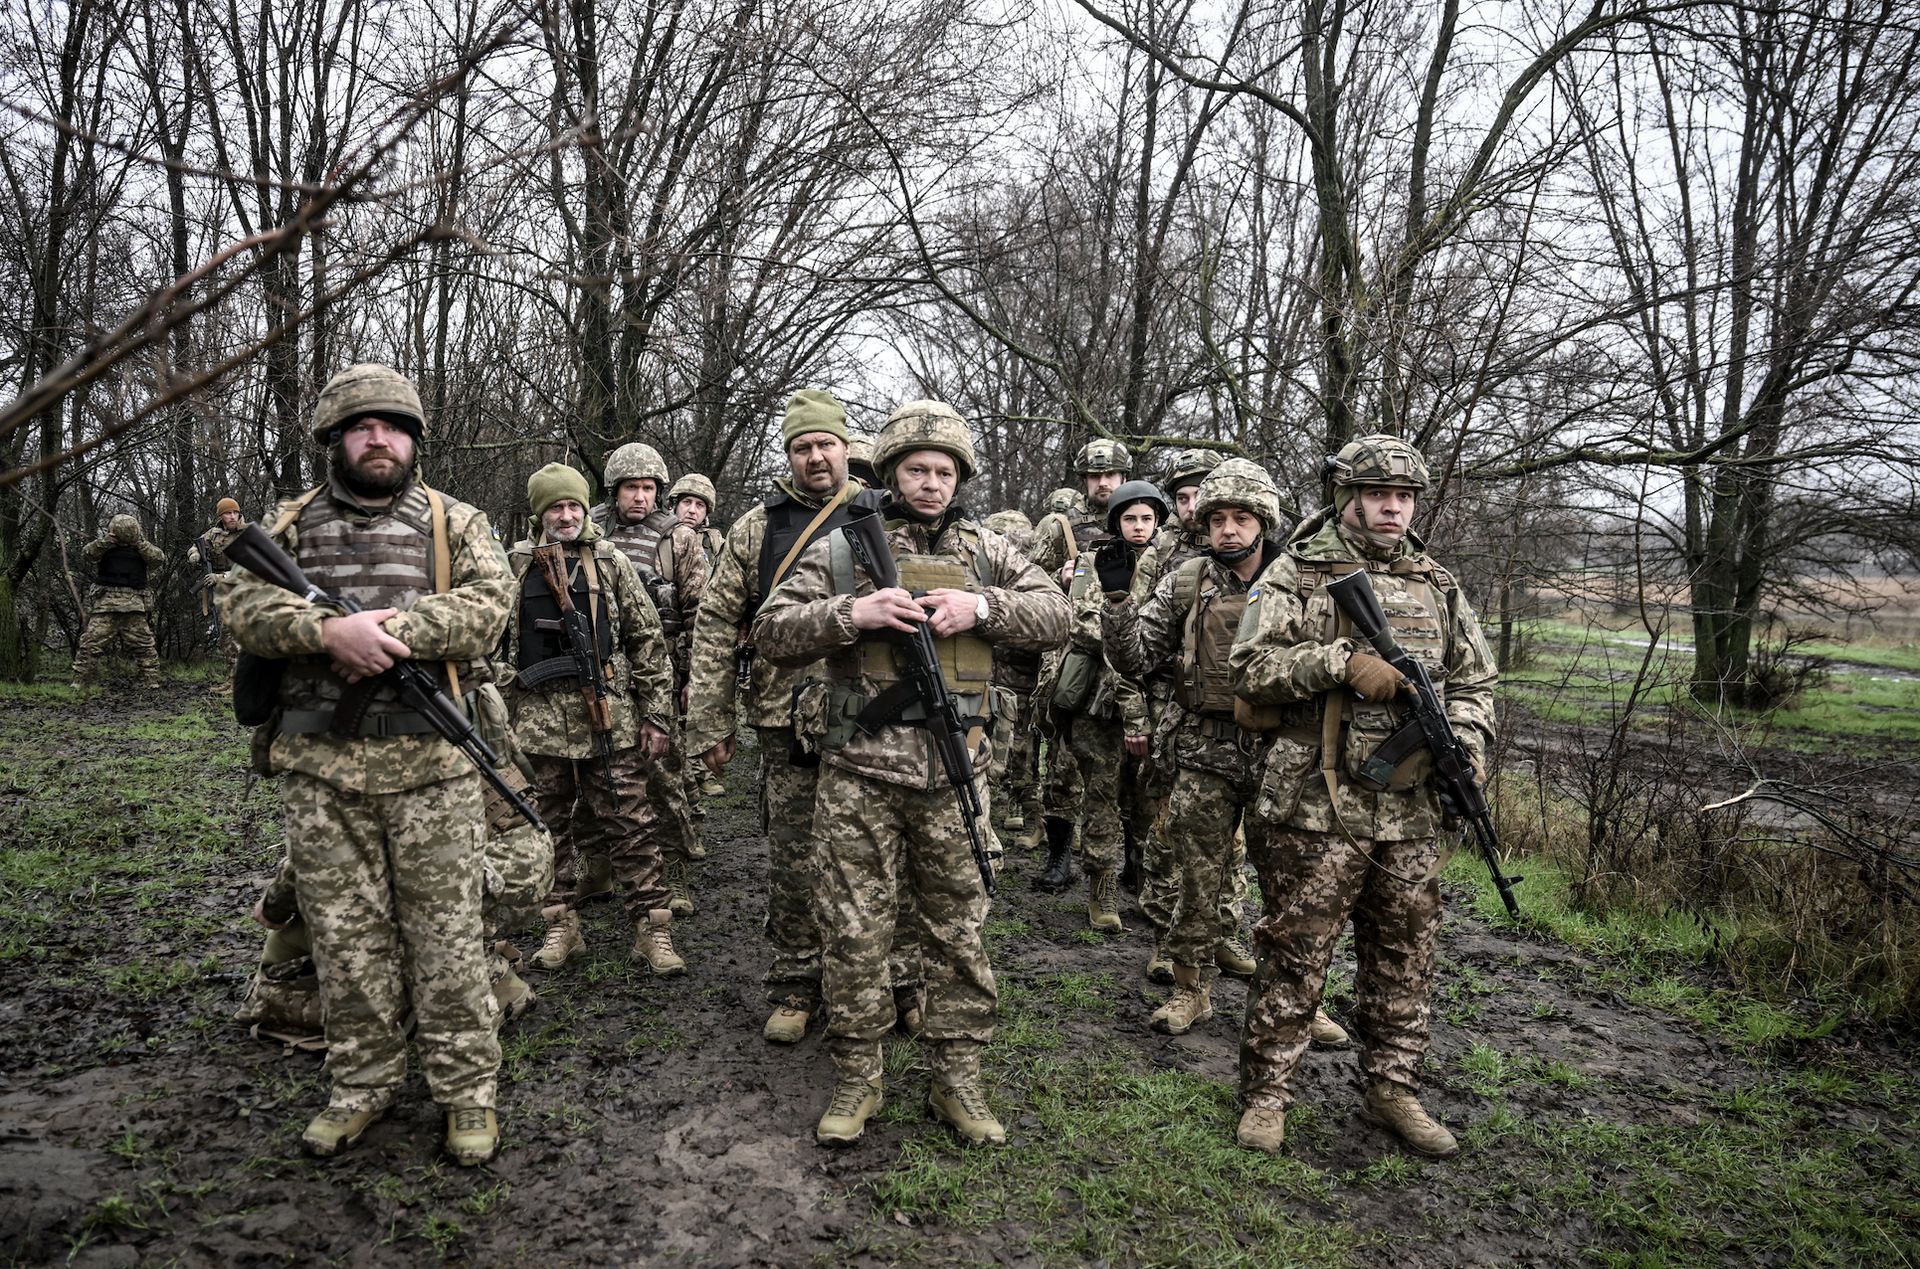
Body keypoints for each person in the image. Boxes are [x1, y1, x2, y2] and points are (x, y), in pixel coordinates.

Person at [752, 399, 1069, 1147]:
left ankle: (957, 1077)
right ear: (892, 473)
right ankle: (858, 1074)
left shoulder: (990, 550)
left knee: (958, 932)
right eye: (917, 469)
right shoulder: (840, 549)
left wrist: (982, 607)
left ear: (960, 479)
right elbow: (770, 632)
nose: (930, 483)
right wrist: (851, 615)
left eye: (944, 472)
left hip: (955, 776)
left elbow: (1060, 614)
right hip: (858, 776)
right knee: (854, 931)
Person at [219, 362, 512, 1166]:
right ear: (335, 440)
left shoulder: (456, 522)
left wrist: (387, 633)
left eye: (393, 427)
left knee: (450, 942)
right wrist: (325, 633)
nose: (378, 439)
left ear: (414, 439)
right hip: (323, 774)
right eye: (362, 427)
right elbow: (239, 602)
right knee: (347, 946)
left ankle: (466, 1091)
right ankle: (360, 1084)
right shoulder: (290, 523)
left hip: (431, 769)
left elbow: (489, 607)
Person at [1227, 435, 1497, 1157]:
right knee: (1295, 950)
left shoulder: (1437, 582)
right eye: (1378, 494)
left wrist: (1464, 744)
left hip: (1411, 806)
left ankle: (1393, 1089)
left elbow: (1475, 680)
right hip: (1315, 802)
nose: (1392, 507)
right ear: (1347, 496)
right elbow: (1248, 670)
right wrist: (1340, 661)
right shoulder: (1296, 571)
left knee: (1406, 951)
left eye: (1404, 496)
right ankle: (1267, 1094)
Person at [1103, 459, 1346, 1048]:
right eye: (1217, 519)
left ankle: (1298, 999)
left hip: (1283, 754)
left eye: (1241, 518)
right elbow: (1136, 658)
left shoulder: (1301, 582)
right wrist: (1115, 605)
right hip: (1203, 749)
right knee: (1197, 879)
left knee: (1292, 886)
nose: (1228, 530)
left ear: (1264, 521)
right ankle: (1192, 987)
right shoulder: (1188, 581)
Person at [683, 390, 888, 1044]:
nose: (816, 456)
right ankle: (797, 979)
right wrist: (711, 721)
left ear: (846, 447)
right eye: (803, 447)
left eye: (826, 443)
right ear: (789, 455)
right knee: (795, 853)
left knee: (876, 851)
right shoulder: (757, 526)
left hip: (869, 711)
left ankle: (887, 977)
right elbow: (716, 623)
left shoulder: (882, 512)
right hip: (783, 715)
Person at [239, 685, 557, 1043]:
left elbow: (316, 859)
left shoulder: (358, 737)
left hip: (487, 868)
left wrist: (274, 906)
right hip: (526, 854)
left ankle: (481, 985)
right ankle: (470, 966)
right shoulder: (448, 689)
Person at [506, 463, 679, 975]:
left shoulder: (611, 561)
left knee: (631, 823)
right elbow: (490, 644)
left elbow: (647, 641)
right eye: (556, 507)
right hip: (536, 725)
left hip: (610, 720)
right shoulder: (515, 565)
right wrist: (505, 695)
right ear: (540, 513)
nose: (566, 516)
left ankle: (652, 925)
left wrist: (656, 715)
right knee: (547, 827)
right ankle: (560, 923)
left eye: (574, 506)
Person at [590, 443, 709, 907]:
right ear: (614, 490)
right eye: (630, 488)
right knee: (597, 775)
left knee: (663, 776)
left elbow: (699, 611)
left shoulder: (678, 538)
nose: (640, 497)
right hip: (601, 674)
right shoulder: (590, 529)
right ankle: (598, 866)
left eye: (648, 488)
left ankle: (672, 870)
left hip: (660, 672)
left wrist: (693, 679)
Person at [1045, 479, 1164, 929]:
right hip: (1099, 700)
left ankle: (1146, 880)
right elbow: (1083, 622)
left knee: (1147, 799)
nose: (1139, 527)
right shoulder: (1093, 562)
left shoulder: (1169, 565)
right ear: (1116, 522)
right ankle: (1102, 887)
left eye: (1147, 518)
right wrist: (1135, 637)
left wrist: (1140, 639)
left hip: (1152, 698)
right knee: (1100, 795)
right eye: (1130, 518)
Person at [1028, 442, 1132, 892]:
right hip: (1074, 657)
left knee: (1128, 773)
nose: (1103, 482)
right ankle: (1059, 858)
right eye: (1094, 475)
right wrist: (1061, 580)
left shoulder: (1141, 519)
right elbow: (1028, 584)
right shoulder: (1063, 528)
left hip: (1126, 659)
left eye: (1111, 474)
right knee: (1064, 764)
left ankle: (1130, 864)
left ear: (1125, 477)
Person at [982, 510, 1042, 850]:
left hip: (1019, 682)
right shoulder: (978, 574)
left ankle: (1031, 815)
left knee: (1022, 752)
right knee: (981, 747)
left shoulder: (1031, 581)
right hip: (982, 681)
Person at [69, 514, 166, 689]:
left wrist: (139, 544)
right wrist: (105, 542)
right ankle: (80, 682)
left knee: (144, 646)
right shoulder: (103, 547)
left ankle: (151, 681)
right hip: (108, 605)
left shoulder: (141, 549)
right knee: (91, 644)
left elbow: (158, 558)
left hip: (130, 606)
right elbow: (87, 553)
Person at [188, 497, 248, 679]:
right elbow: (196, 545)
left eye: (235, 512)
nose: (232, 516)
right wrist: (195, 554)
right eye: (228, 513)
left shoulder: (248, 534)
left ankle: (242, 681)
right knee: (225, 637)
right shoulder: (213, 534)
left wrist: (220, 577)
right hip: (222, 592)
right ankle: (234, 679)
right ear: (221, 516)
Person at [670, 472, 727, 564]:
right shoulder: (656, 533)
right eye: (687, 502)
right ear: (675, 505)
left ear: (706, 512)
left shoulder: (715, 544)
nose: (692, 510)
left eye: (699, 505)